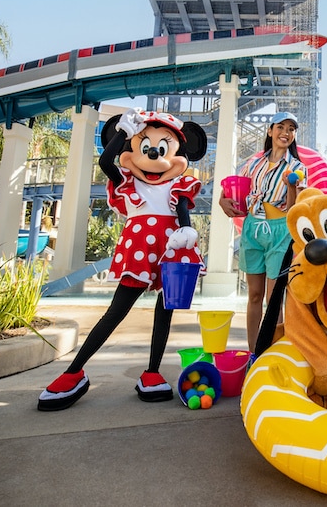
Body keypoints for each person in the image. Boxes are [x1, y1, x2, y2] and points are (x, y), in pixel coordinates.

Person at [37, 108, 208, 411]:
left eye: (163, 147)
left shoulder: (179, 185)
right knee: (116, 310)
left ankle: (152, 372)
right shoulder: (129, 182)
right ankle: (73, 372)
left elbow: (183, 213)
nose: (154, 154)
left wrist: (187, 232)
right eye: (145, 146)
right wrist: (122, 133)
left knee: (165, 310)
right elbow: (105, 161)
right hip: (140, 250)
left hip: (173, 249)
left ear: (181, 151)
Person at [219, 111, 307, 352]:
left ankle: (275, 352)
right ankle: (253, 352)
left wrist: (291, 185)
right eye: (280, 127)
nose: (286, 132)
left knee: (274, 299)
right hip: (252, 229)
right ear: (270, 131)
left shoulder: (297, 167)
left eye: (291, 128)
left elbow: (293, 208)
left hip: (280, 232)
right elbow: (232, 188)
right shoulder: (253, 163)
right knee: (254, 296)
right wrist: (221, 200)